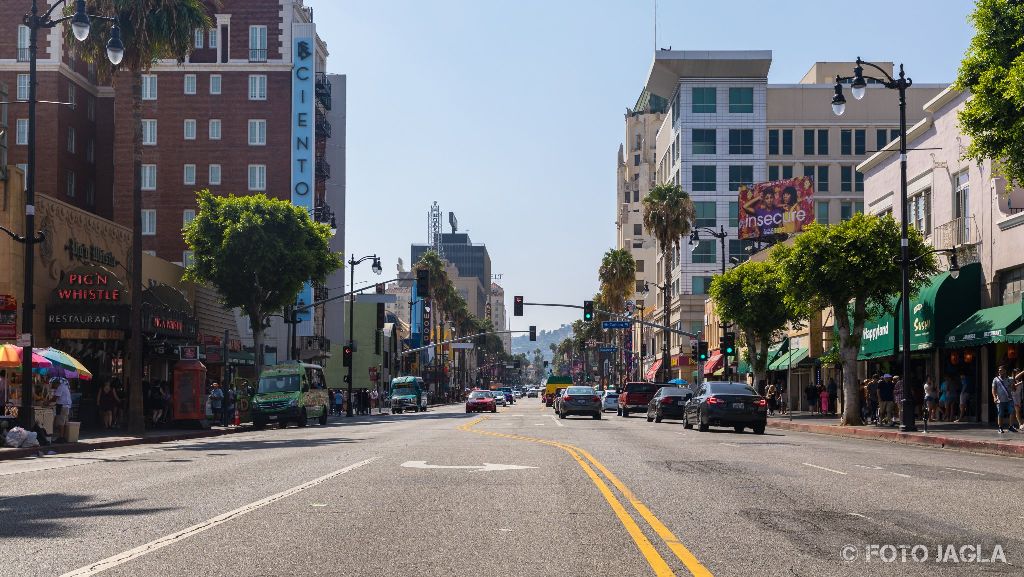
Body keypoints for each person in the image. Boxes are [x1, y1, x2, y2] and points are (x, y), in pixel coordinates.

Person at [991, 365, 1016, 434]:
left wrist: (1013, 382)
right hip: (1000, 400)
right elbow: (993, 389)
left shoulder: (1010, 379)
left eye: (1001, 370)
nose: (999, 371)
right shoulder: (996, 379)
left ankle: (1011, 426)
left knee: (1012, 411)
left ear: (1005, 371)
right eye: (999, 370)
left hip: (1009, 399)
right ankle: (1000, 428)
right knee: (1000, 414)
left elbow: (1014, 389)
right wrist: (994, 397)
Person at [51, 377, 72, 442]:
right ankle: (63, 437)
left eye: (53, 384)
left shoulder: (60, 387)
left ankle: (61, 437)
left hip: (62, 406)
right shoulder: (64, 386)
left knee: (61, 422)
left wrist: (47, 402)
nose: (53, 386)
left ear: (56, 383)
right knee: (64, 422)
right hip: (66, 406)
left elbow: (55, 397)